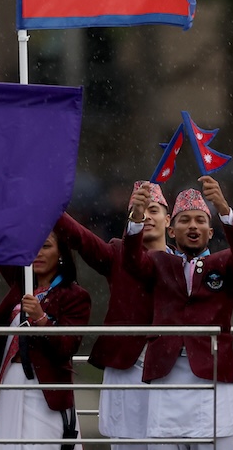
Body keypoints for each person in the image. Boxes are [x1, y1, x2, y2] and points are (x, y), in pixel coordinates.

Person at [124, 175, 233, 450]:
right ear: (171, 230)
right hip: (167, 374)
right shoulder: (157, 262)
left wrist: (223, 208)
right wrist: (136, 219)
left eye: (200, 220)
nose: (192, 226)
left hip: (214, 372)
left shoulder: (224, 264)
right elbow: (131, 261)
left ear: (210, 232)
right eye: (184, 220)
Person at [54, 181, 170, 450]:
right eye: (139, 211)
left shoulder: (184, 260)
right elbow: (79, 237)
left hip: (170, 365)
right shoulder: (117, 253)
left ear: (168, 219)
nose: (147, 217)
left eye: (154, 210)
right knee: (125, 442)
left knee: (168, 441)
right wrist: (48, 205)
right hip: (126, 365)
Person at [0, 231, 92, 450]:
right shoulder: (21, 288)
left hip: (45, 388)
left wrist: (42, 319)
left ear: (61, 253)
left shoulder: (74, 295)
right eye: (33, 248)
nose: (38, 253)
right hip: (11, 380)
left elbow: (67, 346)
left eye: (45, 246)